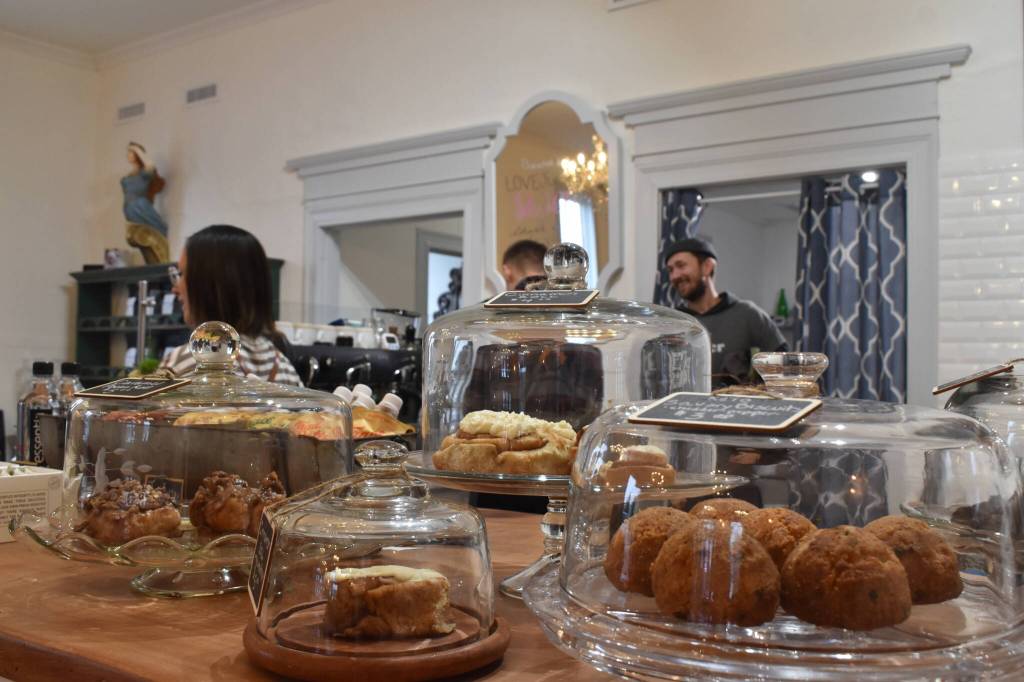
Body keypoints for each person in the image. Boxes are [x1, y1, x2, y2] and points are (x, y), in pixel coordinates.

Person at [160, 225, 302, 386]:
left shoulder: (188, 361)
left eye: (182, 274)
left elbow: (146, 409)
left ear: (208, 285)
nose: (175, 288)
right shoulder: (284, 367)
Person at [665, 237, 786, 386]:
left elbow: (785, 366)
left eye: (681, 265)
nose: (674, 276)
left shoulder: (747, 314)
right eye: (670, 270)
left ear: (707, 266)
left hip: (738, 408)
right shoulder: (672, 323)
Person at [121, 142, 169, 264]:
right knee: (139, 238)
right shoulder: (128, 176)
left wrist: (138, 149)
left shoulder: (144, 174)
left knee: (155, 233)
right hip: (130, 210)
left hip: (141, 208)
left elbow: (150, 166)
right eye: (129, 151)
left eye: (131, 152)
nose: (128, 154)